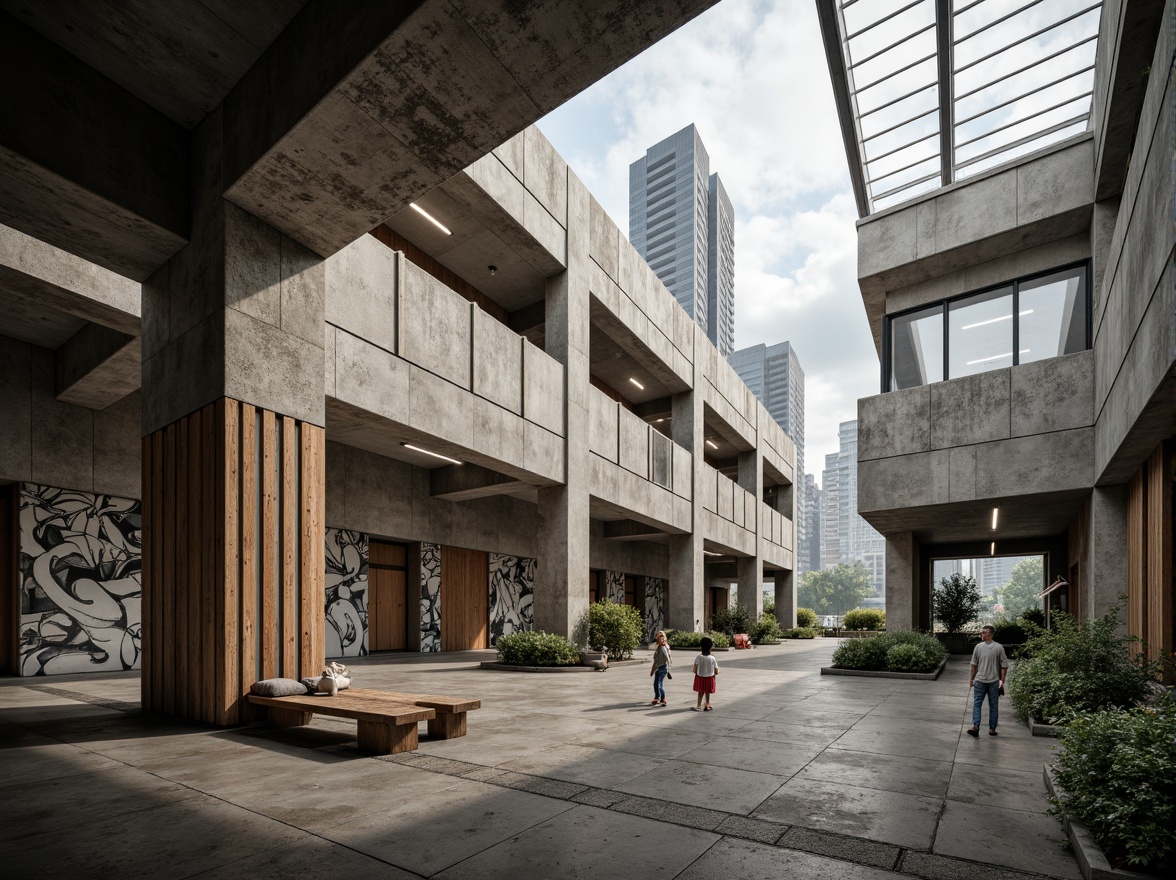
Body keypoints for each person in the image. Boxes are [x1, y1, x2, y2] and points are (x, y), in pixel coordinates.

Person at [967, 624, 1009, 737]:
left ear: (990, 633)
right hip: (985, 681)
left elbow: (1004, 666)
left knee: (980, 704)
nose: (982, 634)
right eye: (982, 632)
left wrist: (1001, 682)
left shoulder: (998, 647)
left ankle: (982, 727)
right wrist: (971, 679)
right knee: (991, 705)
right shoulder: (979, 647)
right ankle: (984, 728)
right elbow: (973, 665)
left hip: (989, 681)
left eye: (984, 632)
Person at [692, 636, 719, 711]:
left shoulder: (698, 657)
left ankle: (698, 706)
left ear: (701, 647)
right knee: (707, 692)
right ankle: (707, 704)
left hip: (700, 677)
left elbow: (694, 669)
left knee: (700, 692)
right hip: (710, 677)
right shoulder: (712, 658)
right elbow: (716, 670)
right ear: (711, 647)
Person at [649, 630, 671, 706]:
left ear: (664, 637)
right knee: (659, 683)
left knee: (656, 683)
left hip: (663, 667)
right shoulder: (658, 648)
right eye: (658, 636)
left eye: (661, 636)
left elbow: (668, 659)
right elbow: (655, 660)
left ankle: (658, 697)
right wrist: (652, 670)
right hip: (659, 668)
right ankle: (662, 698)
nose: (659, 637)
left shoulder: (665, 646)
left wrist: (668, 669)